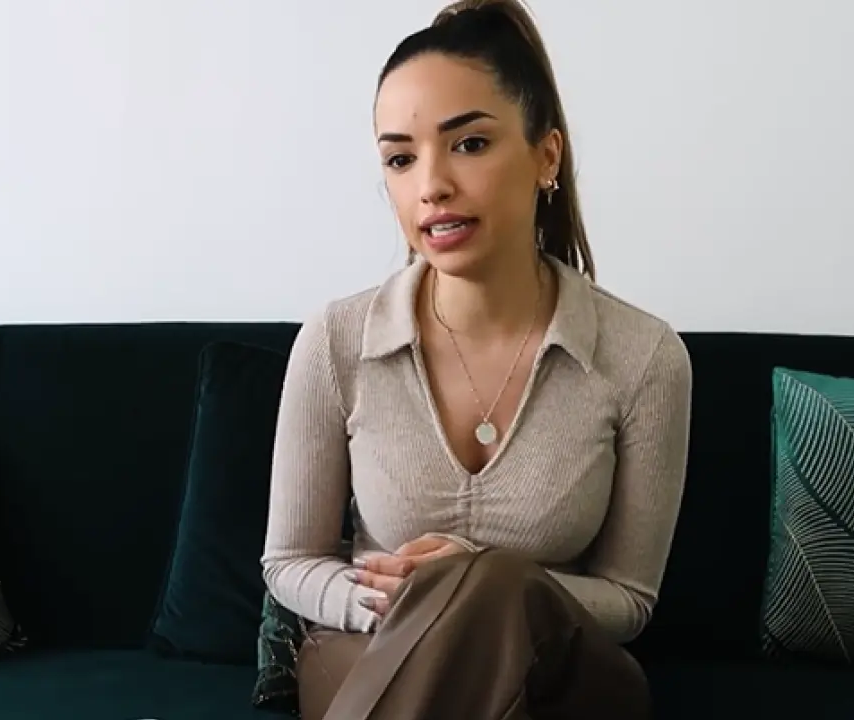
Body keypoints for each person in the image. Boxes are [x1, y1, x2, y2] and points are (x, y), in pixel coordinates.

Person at [260, 1, 693, 717]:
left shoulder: (644, 358)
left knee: (496, 585)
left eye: (468, 144)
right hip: (371, 650)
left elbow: (629, 599)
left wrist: (482, 583)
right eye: (401, 158)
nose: (430, 184)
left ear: (546, 156)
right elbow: (290, 562)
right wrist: (411, 606)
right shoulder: (337, 340)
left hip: (562, 679)